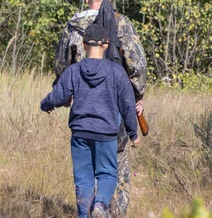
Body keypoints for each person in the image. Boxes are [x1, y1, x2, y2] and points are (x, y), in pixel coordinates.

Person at [54, 0, 147, 217]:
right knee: (117, 165)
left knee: (85, 169)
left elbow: (61, 66)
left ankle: (89, 210)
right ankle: (111, 211)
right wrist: (136, 95)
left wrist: (65, 95)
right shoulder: (121, 23)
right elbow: (136, 63)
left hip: (83, 109)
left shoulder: (73, 27)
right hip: (114, 104)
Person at [41, 24, 140, 218]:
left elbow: (57, 96)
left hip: (80, 133)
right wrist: (133, 133)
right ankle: (100, 205)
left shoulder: (73, 71)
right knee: (107, 174)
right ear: (105, 45)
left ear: (84, 45)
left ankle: (84, 215)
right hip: (106, 134)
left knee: (83, 178)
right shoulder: (117, 72)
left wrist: (45, 105)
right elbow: (128, 105)